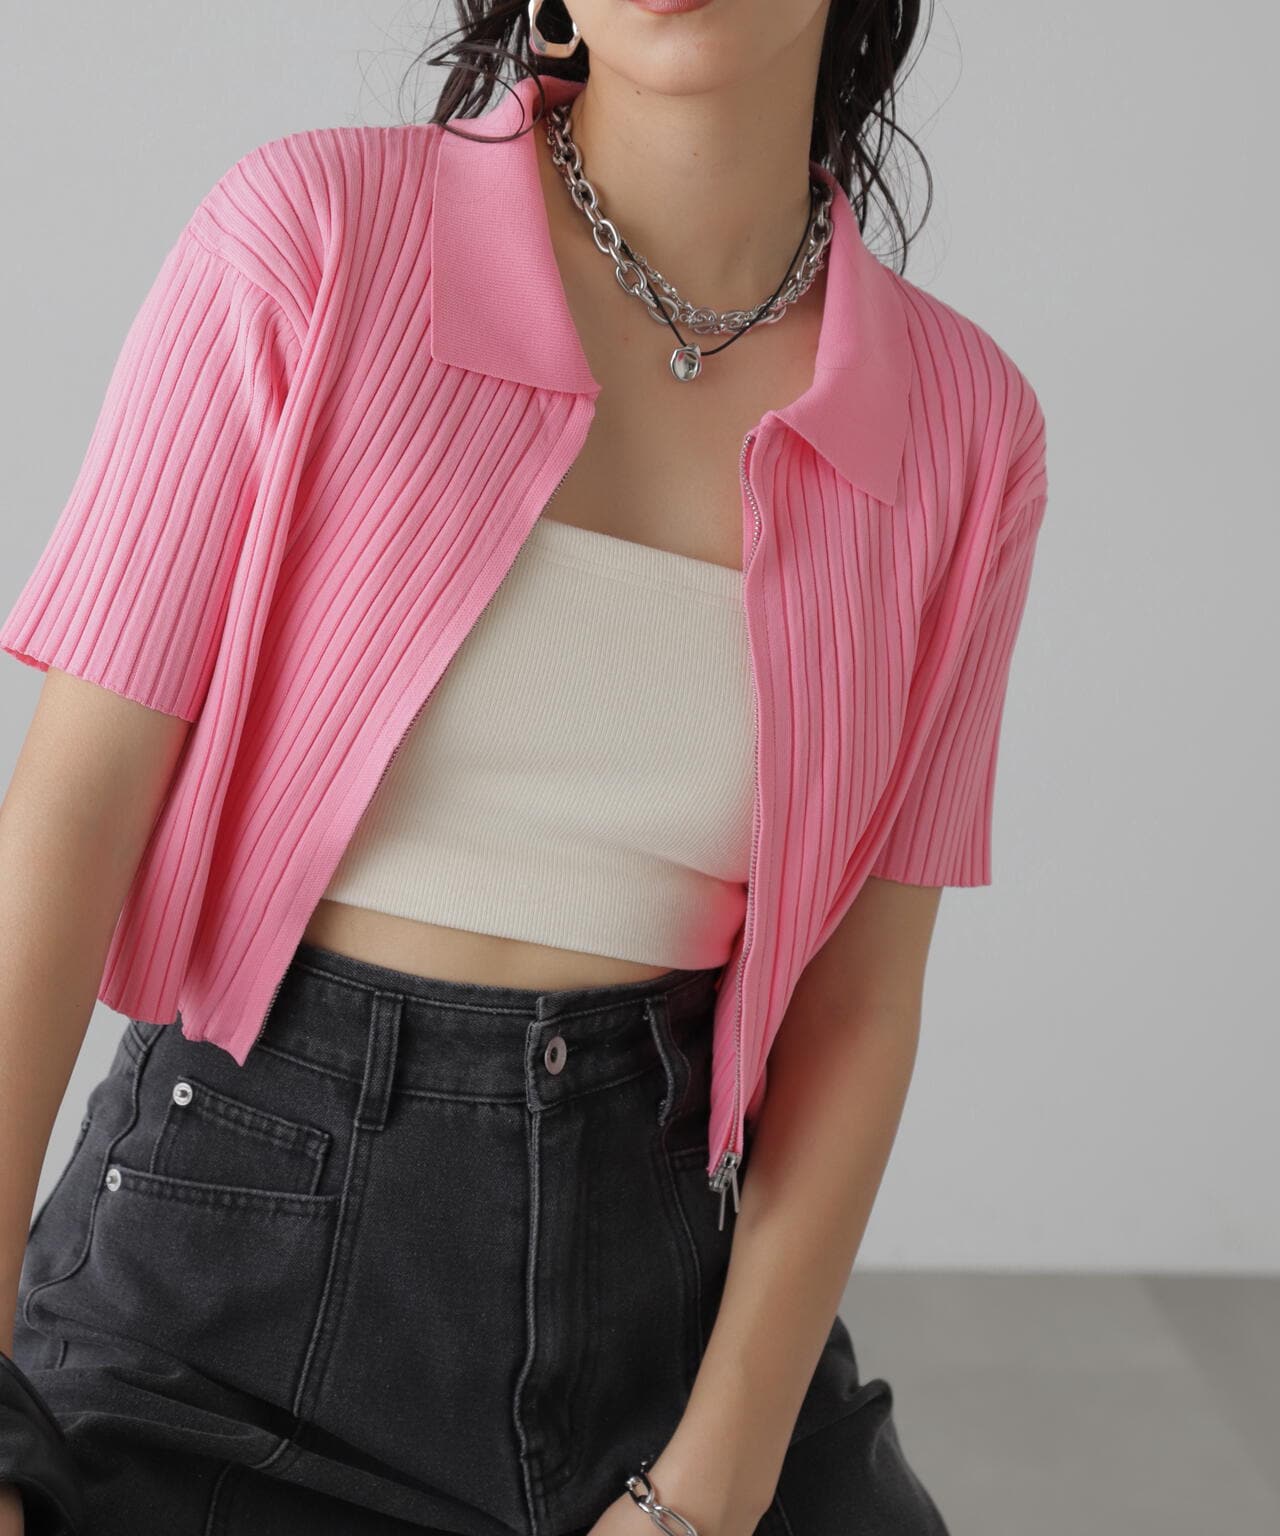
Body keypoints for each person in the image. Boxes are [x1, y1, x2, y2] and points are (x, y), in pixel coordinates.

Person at [0, 1, 1050, 1533]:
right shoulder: (315, 235)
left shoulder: (964, 429)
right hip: (223, 1305)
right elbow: (67, 823)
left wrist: (707, 1490)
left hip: (666, 1300)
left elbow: (859, 1005)